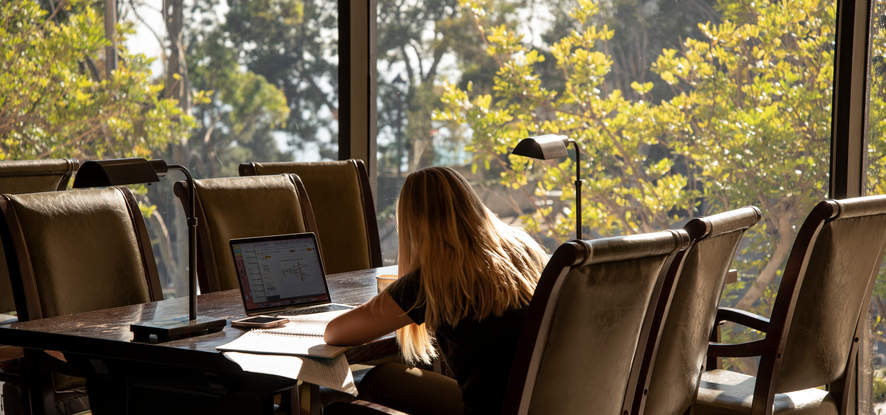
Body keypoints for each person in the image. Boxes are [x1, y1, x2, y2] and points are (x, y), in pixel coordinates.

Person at [324, 166, 548, 415]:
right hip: (534, 403)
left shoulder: (434, 280)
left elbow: (335, 334)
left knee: (337, 410)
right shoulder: (525, 252)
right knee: (382, 378)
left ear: (412, 225)